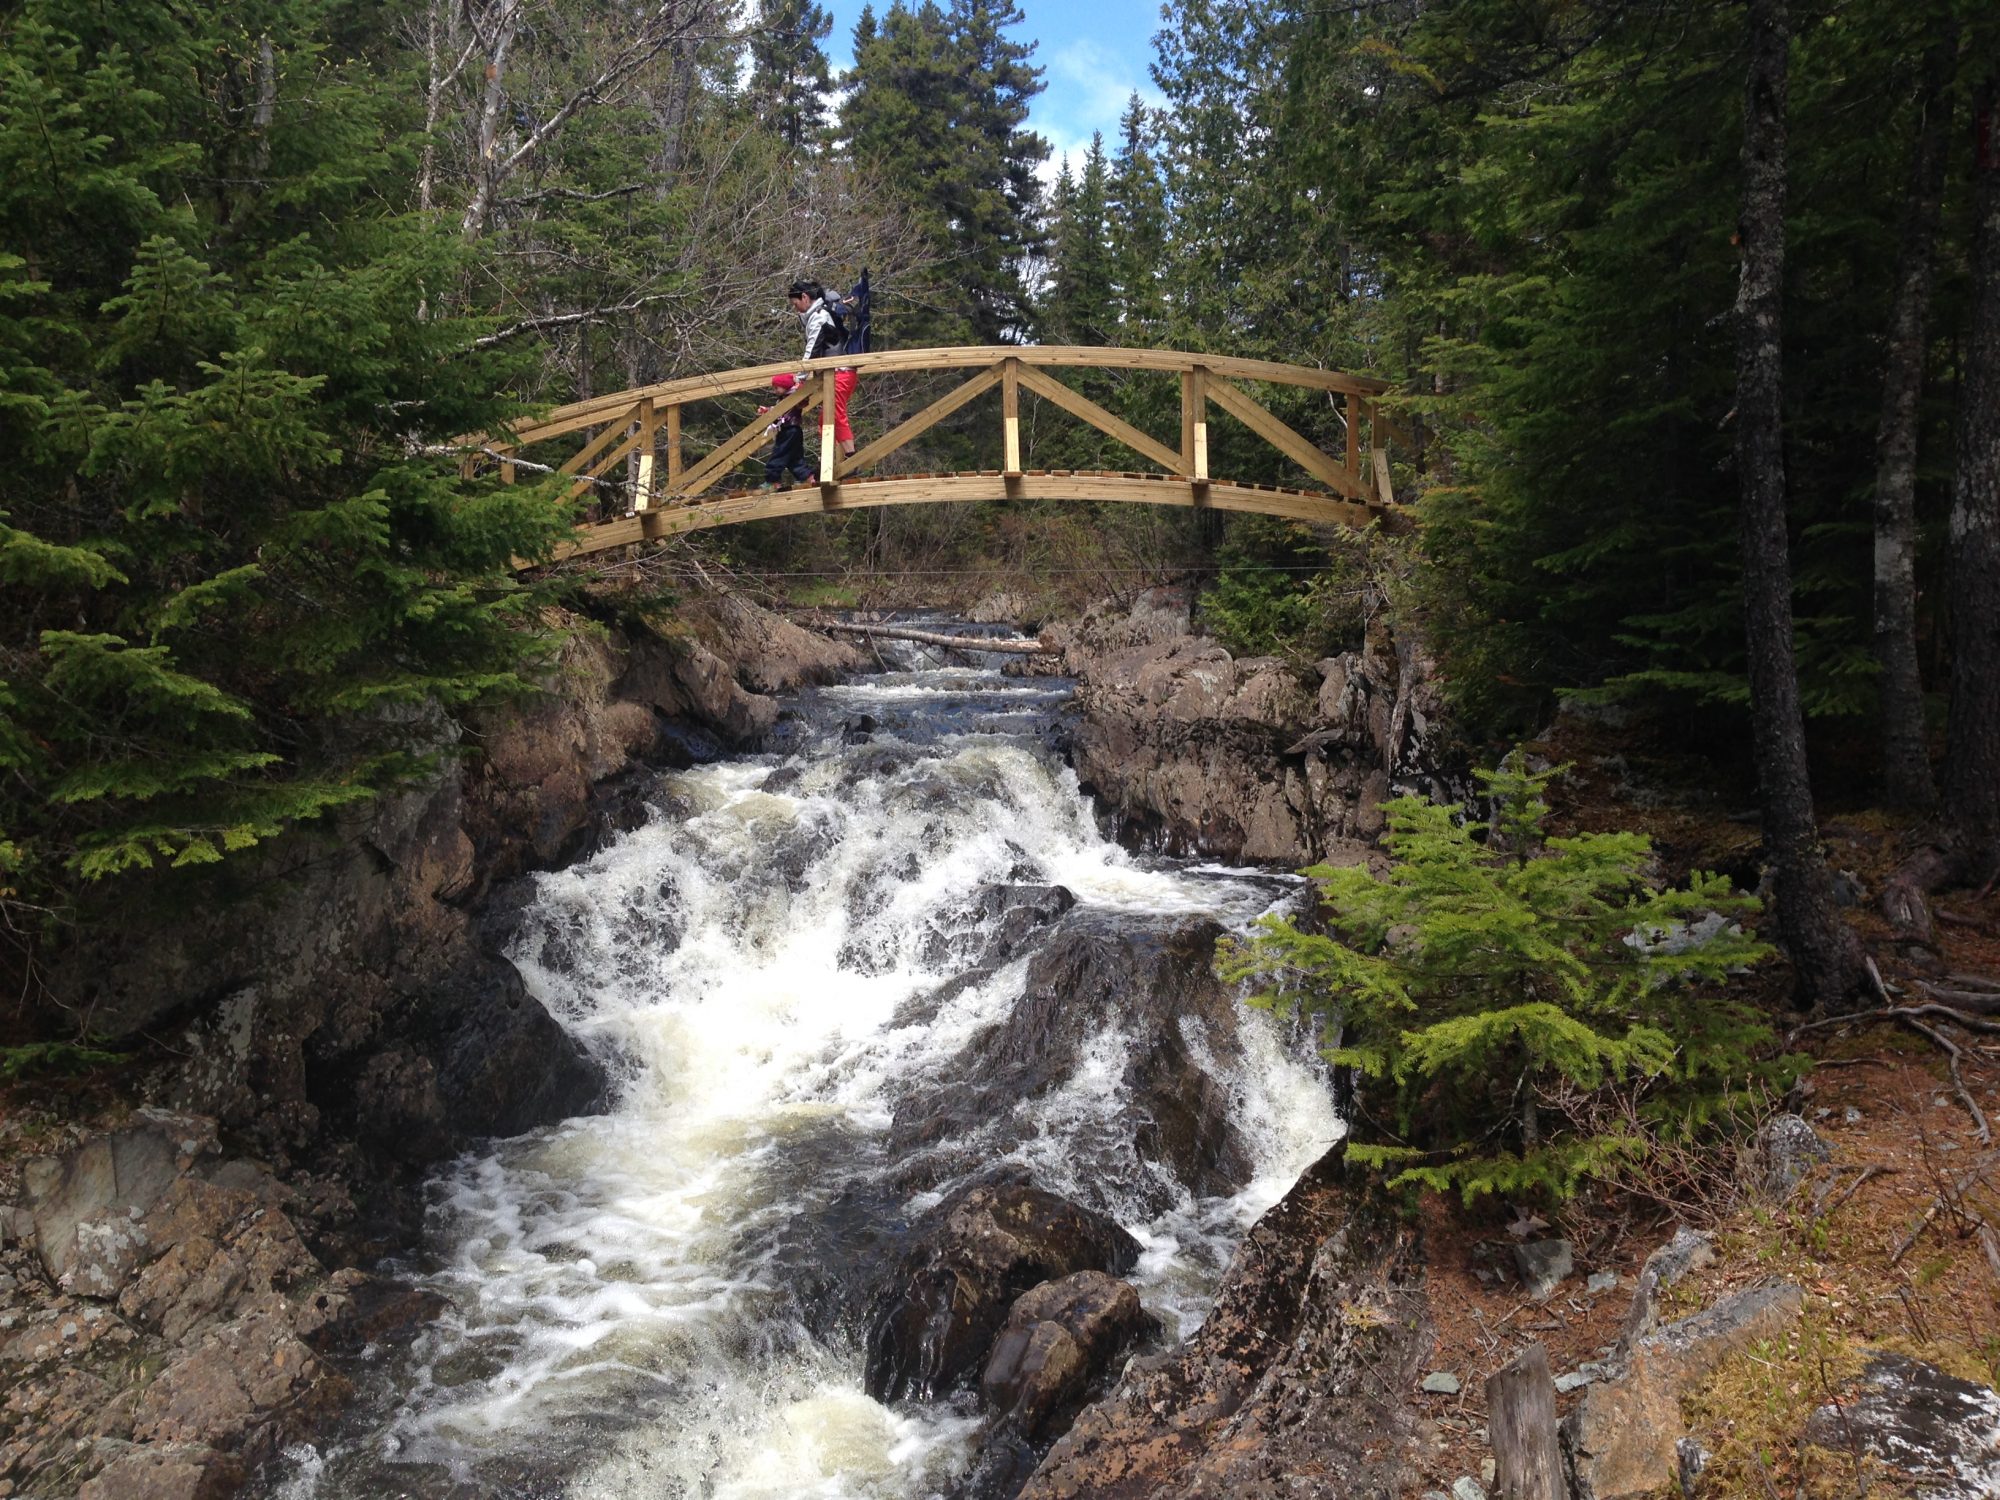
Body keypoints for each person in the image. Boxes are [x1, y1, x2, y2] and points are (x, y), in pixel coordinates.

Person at [787, 278, 858, 460]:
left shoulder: (819, 316)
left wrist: (799, 378)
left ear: (804, 297)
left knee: (834, 413)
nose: (795, 308)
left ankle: (851, 459)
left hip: (840, 372)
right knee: (824, 419)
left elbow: (812, 350)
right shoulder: (816, 315)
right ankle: (829, 462)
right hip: (836, 373)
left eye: (795, 303)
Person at [757, 374, 815, 489]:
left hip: (789, 430)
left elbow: (803, 401)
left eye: (776, 387)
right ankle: (807, 477)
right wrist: (768, 411)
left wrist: (800, 387)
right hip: (790, 430)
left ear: (785, 386)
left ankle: (772, 480)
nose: (774, 391)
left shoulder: (794, 396)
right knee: (794, 457)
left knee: (779, 453)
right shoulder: (783, 399)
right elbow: (779, 412)